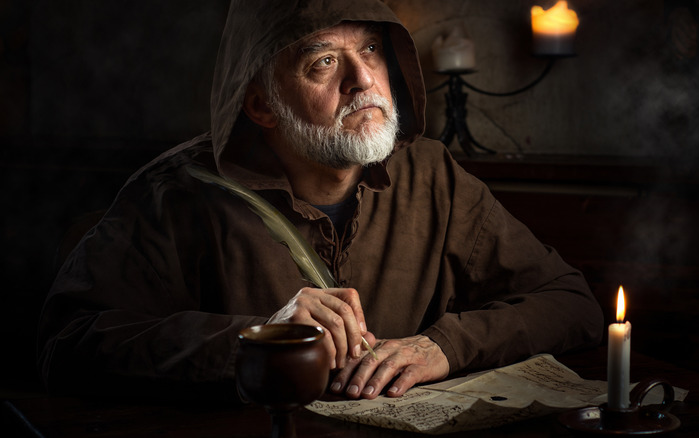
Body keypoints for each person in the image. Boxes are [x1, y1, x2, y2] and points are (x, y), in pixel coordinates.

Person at [37, 0, 603, 402]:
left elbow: (571, 302)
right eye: (323, 62)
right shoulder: (172, 196)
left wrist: (446, 346)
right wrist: (256, 340)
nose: (363, 80)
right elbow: (68, 346)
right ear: (260, 105)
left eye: (372, 49)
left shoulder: (432, 174)